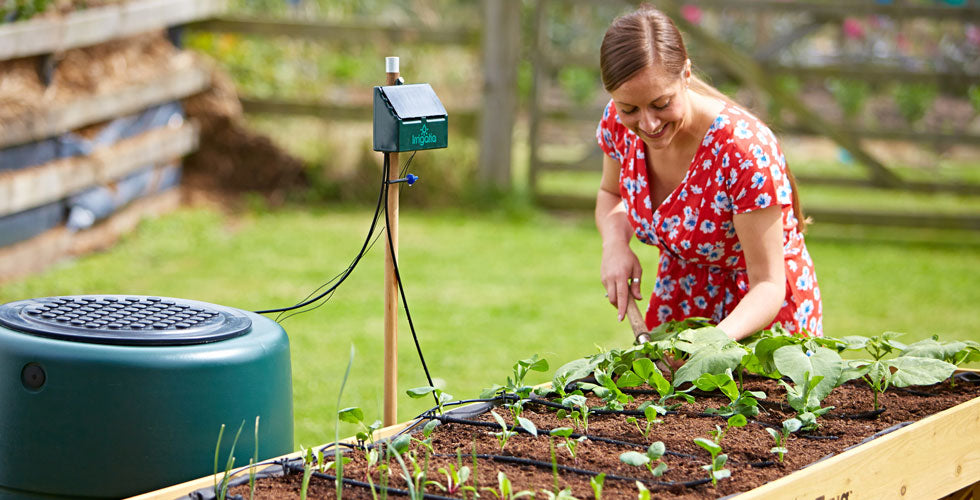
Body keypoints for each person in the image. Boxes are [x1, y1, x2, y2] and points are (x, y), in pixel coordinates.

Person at [595, 4, 822, 340]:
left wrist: (707, 345)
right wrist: (614, 244)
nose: (648, 124)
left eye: (661, 104)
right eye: (630, 108)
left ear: (686, 74)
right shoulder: (618, 123)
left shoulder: (742, 151)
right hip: (682, 303)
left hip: (760, 321)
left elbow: (768, 285)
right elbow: (611, 193)